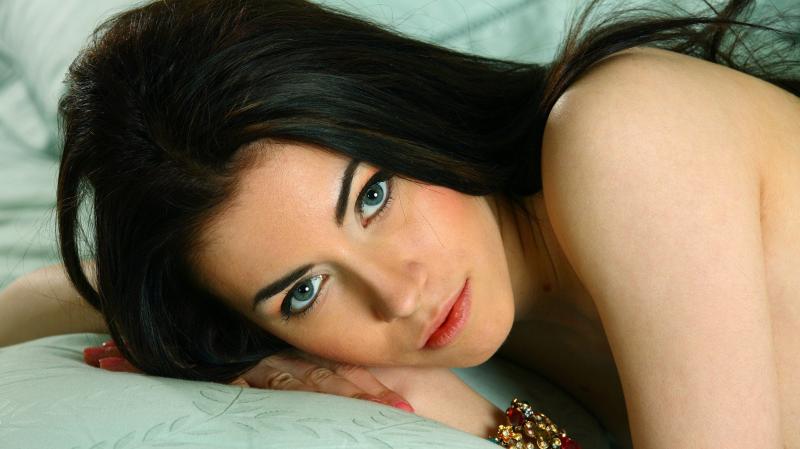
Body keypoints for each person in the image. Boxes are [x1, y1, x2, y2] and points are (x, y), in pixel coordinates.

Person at [1, 0, 798, 447]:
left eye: (373, 196)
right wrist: (177, 341)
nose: (398, 294)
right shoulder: (493, 301)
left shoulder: (622, 138)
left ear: (400, 114)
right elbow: (43, 302)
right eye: (306, 289)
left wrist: (480, 420)